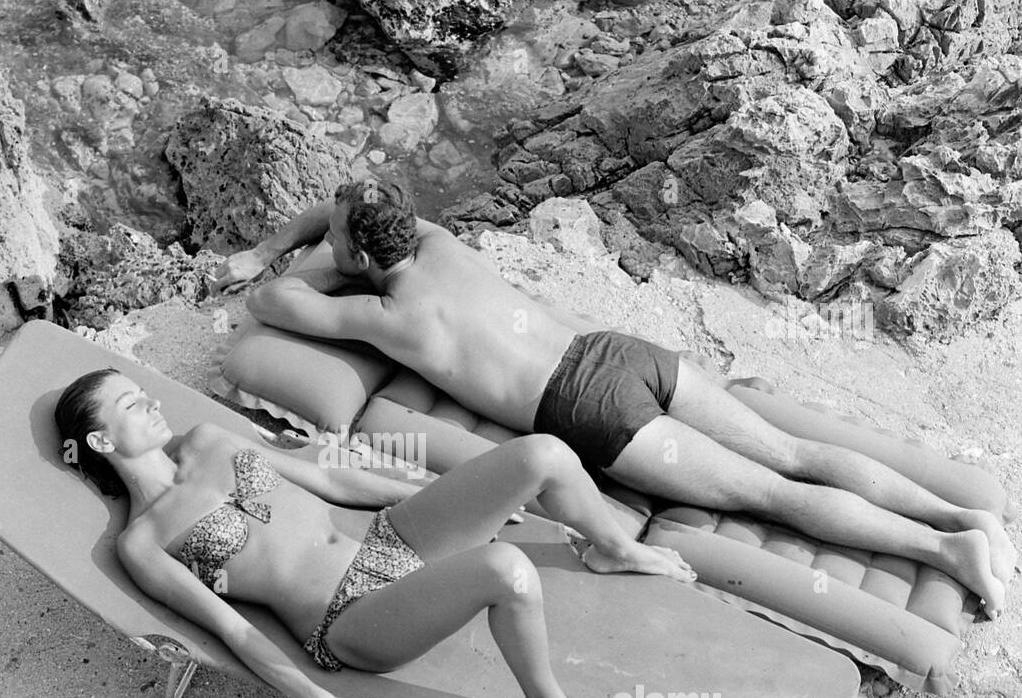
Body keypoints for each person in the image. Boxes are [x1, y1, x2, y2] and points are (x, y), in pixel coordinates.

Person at [213, 178, 1015, 619]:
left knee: (776, 495)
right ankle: (961, 517)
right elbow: (344, 201)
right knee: (792, 454)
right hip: (617, 353)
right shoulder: (439, 243)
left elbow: (271, 304)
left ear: (358, 255)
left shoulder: (386, 315)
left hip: (590, 413)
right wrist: (341, 229)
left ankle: (947, 553)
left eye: (343, 238)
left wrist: (288, 253)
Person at [54, 369, 697, 698]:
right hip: (348, 620)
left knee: (542, 455)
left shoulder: (206, 440)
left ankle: (617, 546)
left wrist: (439, 496)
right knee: (508, 569)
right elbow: (230, 629)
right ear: (104, 443)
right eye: (132, 405)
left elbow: (329, 479)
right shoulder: (145, 542)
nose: (151, 403)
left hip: (388, 541)